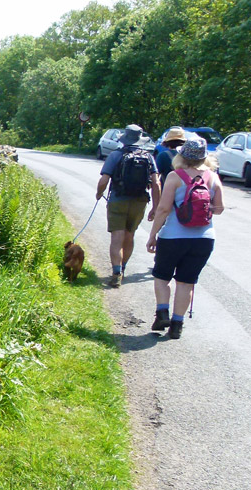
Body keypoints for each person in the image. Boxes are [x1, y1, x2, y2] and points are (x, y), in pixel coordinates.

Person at [146, 137, 224, 339]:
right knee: (186, 283)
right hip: (204, 239)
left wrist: (153, 235)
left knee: (162, 276)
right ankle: (177, 325)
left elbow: (163, 209)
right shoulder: (213, 177)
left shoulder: (174, 176)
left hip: (172, 237)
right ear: (205, 157)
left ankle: (162, 312)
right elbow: (219, 209)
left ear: (181, 155)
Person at [95, 124, 161, 287]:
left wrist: (98, 194)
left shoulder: (116, 155)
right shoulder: (148, 156)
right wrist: (155, 207)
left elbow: (104, 179)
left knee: (117, 236)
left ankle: (116, 272)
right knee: (129, 235)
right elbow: (156, 183)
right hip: (139, 201)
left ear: (124, 138)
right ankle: (123, 268)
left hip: (118, 199)